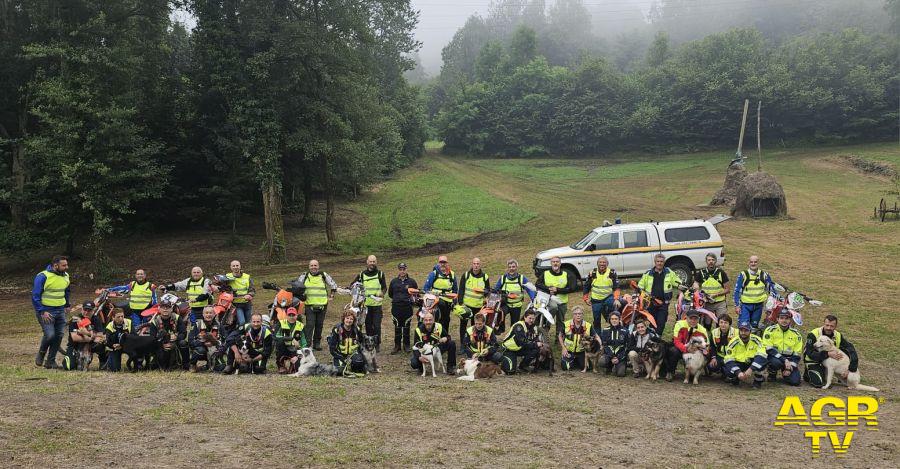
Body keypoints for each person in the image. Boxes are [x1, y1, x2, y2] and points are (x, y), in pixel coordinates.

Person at [32, 255, 71, 369]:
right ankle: (41, 353)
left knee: (58, 336)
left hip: (60, 310)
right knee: (50, 335)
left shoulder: (66, 276)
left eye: (66, 264)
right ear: (55, 265)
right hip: (46, 311)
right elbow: (35, 296)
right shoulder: (42, 276)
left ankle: (50, 362)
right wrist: (42, 311)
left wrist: (67, 304)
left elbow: (66, 290)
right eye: (64, 265)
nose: (66, 267)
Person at [803, 315, 858, 388]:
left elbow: (851, 349)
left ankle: (837, 374)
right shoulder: (813, 334)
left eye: (832, 326)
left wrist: (851, 369)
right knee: (819, 383)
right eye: (827, 325)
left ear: (835, 326)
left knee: (846, 351)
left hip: (828, 363)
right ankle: (808, 373)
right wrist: (827, 354)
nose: (829, 328)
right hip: (813, 361)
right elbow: (809, 353)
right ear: (824, 324)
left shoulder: (838, 335)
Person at [297, 260, 339, 351]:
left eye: (315, 265)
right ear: (309, 266)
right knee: (310, 325)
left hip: (322, 305)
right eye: (311, 265)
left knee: (319, 325)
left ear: (318, 266)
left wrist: (331, 296)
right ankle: (307, 345)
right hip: (309, 305)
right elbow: (296, 287)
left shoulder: (323, 275)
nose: (313, 267)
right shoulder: (304, 275)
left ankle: (317, 343)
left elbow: (334, 285)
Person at [637, 254, 681, 336]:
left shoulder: (669, 272)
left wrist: (683, 288)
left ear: (664, 262)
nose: (659, 263)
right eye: (658, 261)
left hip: (664, 303)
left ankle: (657, 337)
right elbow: (640, 287)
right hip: (650, 302)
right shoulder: (648, 273)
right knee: (652, 322)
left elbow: (678, 283)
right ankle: (652, 338)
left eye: (661, 261)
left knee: (661, 322)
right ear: (655, 262)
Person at [535, 256, 578, 336]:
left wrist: (558, 290)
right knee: (547, 319)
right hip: (549, 301)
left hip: (562, 302)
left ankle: (559, 338)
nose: (555, 263)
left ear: (560, 263)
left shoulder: (566, 274)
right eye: (553, 262)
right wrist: (548, 289)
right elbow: (537, 284)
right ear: (551, 263)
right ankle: (544, 335)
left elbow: (572, 288)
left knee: (560, 321)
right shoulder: (545, 273)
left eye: (557, 262)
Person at [354, 255, 387, 350]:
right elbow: (353, 285)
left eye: (374, 261)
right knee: (368, 326)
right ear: (367, 262)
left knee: (377, 326)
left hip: (377, 305)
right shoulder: (361, 274)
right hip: (365, 305)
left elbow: (384, 287)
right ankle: (369, 343)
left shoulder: (380, 274)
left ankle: (377, 344)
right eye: (370, 261)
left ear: (376, 262)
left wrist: (382, 293)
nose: (372, 263)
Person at [493, 259, 536, 334]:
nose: (511, 269)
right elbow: (496, 290)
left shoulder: (522, 278)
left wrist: (533, 299)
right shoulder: (503, 278)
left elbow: (530, 289)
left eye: (513, 267)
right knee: (500, 313)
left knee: (514, 324)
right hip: (505, 304)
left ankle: (512, 336)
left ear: (516, 267)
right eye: (509, 267)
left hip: (516, 305)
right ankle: (501, 329)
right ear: (507, 268)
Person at [666, 309, 710, 381]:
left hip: (694, 352)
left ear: (698, 319)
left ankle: (698, 371)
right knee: (673, 350)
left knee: (691, 379)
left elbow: (707, 345)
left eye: (695, 319)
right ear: (686, 317)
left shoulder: (702, 330)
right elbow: (676, 341)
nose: (693, 321)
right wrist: (686, 349)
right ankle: (670, 371)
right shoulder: (679, 324)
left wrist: (703, 351)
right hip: (681, 349)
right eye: (691, 318)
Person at [732, 256, 775, 330]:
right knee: (743, 327)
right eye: (751, 262)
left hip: (758, 306)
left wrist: (775, 301)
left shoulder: (764, 274)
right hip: (745, 306)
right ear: (748, 263)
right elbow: (737, 291)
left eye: (755, 262)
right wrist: (737, 305)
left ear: (758, 263)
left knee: (754, 327)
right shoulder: (743, 275)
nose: (753, 263)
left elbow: (771, 289)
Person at [762, 310, 803, 386]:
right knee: (776, 363)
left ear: (790, 320)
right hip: (775, 357)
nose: (784, 320)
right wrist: (784, 360)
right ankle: (772, 373)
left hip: (789, 360)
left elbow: (797, 354)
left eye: (787, 318)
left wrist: (790, 368)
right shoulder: (770, 330)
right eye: (782, 318)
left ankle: (786, 373)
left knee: (795, 382)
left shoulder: (796, 334)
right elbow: (769, 349)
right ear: (777, 319)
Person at [457, 257, 490, 350]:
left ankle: (472, 344)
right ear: (472, 264)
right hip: (466, 306)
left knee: (475, 327)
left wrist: (484, 291)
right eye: (474, 263)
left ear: (480, 265)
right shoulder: (466, 275)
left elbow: (488, 291)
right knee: (463, 326)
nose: (476, 265)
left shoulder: (485, 277)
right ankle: (462, 345)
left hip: (478, 307)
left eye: (478, 264)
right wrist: (460, 303)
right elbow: (461, 289)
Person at [62, 301, 105, 371]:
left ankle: (103, 362)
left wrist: (86, 333)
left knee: (101, 343)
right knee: (69, 367)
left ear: (93, 311)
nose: (86, 312)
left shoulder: (96, 319)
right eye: (85, 310)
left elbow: (101, 335)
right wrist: (92, 338)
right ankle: (71, 357)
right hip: (75, 345)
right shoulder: (75, 319)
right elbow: (75, 337)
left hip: (89, 344)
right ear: (82, 309)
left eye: (89, 310)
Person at [723, 321, 768, 388]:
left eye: (746, 330)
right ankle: (737, 378)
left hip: (752, 362)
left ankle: (758, 381)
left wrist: (751, 369)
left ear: (750, 331)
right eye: (741, 330)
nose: (743, 333)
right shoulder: (733, 341)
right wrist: (738, 372)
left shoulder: (757, 339)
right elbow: (728, 359)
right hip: (739, 363)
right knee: (728, 371)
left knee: (761, 361)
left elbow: (762, 355)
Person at [148, 297, 188, 370]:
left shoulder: (177, 318)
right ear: (159, 309)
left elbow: (184, 333)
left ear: (171, 309)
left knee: (183, 343)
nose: (165, 309)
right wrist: (161, 345)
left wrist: (177, 337)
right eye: (163, 307)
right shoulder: (154, 321)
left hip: (175, 342)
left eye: (167, 307)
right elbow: (152, 339)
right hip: (161, 344)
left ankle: (186, 366)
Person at [387, 262, 418, 354]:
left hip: (407, 307)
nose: (402, 271)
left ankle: (406, 345)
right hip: (396, 307)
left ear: (406, 269)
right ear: (398, 270)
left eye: (404, 269)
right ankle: (397, 346)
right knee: (397, 326)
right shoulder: (393, 281)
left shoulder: (412, 282)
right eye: (400, 269)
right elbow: (390, 294)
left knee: (406, 326)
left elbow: (416, 294)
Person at [422, 255, 457, 334]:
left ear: (447, 263)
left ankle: (445, 336)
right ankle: (435, 336)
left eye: (444, 262)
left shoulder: (452, 275)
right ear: (438, 263)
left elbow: (455, 290)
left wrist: (455, 301)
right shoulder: (433, 274)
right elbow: (426, 288)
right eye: (441, 262)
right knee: (437, 320)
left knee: (446, 320)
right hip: (436, 302)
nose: (442, 264)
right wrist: (431, 296)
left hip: (448, 301)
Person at [501, 309, 542, 374]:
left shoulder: (533, 327)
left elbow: (535, 339)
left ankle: (523, 366)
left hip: (519, 348)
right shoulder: (519, 326)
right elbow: (522, 341)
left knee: (536, 350)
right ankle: (503, 361)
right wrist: (536, 344)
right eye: (530, 318)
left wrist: (539, 344)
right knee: (510, 371)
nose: (531, 320)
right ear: (525, 317)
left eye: (533, 319)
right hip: (509, 349)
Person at [583, 257, 620, 326]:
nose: (602, 264)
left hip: (608, 298)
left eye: (604, 262)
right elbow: (586, 286)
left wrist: (616, 299)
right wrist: (586, 298)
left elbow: (616, 287)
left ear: (607, 264)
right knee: (596, 320)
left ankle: (614, 329)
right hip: (596, 300)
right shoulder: (592, 273)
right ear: (597, 264)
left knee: (612, 316)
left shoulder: (612, 273)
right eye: (600, 262)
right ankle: (598, 336)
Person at [328, 310, 367, 377]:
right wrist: (343, 359)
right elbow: (332, 349)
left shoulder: (356, 329)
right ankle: (340, 364)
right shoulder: (337, 329)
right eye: (347, 318)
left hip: (353, 354)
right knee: (339, 371)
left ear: (353, 321)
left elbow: (362, 341)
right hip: (340, 355)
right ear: (343, 319)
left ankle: (354, 365)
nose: (349, 321)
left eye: (351, 319)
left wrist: (360, 354)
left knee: (359, 364)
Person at [558, 306, 597, 372]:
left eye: (580, 314)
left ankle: (577, 361)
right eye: (575, 314)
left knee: (587, 368)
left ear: (582, 314)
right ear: (573, 315)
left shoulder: (588, 325)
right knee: (565, 367)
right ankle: (572, 360)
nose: (578, 315)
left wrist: (600, 345)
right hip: (569, 351)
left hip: (582, 351)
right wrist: (563, 348)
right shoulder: (566, 324)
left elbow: (596, 336)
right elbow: (560, 336)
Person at [692, 253, 729, 320]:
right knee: (707, 323)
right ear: (706, 261)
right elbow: (695, 284)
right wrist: (696, 286)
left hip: (720, 302)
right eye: (709, 260)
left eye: (713, 260)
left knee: (722, 321)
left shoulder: (721, 272)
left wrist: (716, 295)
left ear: (715, 261)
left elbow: (727, 289)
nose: (711, 262)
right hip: (706, 303)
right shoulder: (701, 272)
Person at [188, 306, 222, 372]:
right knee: (200, 350)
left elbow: (224, 338)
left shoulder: (219, 325)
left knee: (220, 368)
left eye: (210, 313)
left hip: (215, 349)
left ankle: (210, 366)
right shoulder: (197, 324)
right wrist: (204, 343)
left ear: (214, 314)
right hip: (202, 350)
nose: (208, 315)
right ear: (203, 315)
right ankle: (192, 364)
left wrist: (214, 343)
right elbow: (190, 341)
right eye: (206, 313)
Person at [274, 307, 307, 373]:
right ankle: (281, 365)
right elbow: (276, 337)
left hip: (296, 350)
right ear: (286, 315)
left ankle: (293, 365)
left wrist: (299, 355)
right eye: (289, 315)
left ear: (296, 315)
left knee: (296, 370)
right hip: (284, 348)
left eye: (293, 315)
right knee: (279, 342)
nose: (291, 317)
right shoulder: (280, 323)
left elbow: (304, 342)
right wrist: (292, 339)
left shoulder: (301, 325)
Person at [598, 311, 630, 376]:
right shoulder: (605, 330)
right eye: (612, 319)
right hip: (609, 355)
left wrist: (618, 358)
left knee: (620, 374)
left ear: (619, 319)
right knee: (601, 361)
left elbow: (627, 347)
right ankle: (609, 366)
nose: (614, 321)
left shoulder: (625, 331)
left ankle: (620, 365)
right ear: (609, 320)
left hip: (620, 357)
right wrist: (612, 357)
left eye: (616, 319)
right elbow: (605, 346)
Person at [225, 260, 255, 327]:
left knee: (249, 323)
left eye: (237, 265)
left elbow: (252, 290)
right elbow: (221, 287)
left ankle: (247, 336)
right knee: (242, 322)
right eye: (233, 266)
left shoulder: (247, 277)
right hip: (235, 304)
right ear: (231, 267)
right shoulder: (227, 277)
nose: (235, 267)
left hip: (247, 304)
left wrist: (249, 295)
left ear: (240, 266)